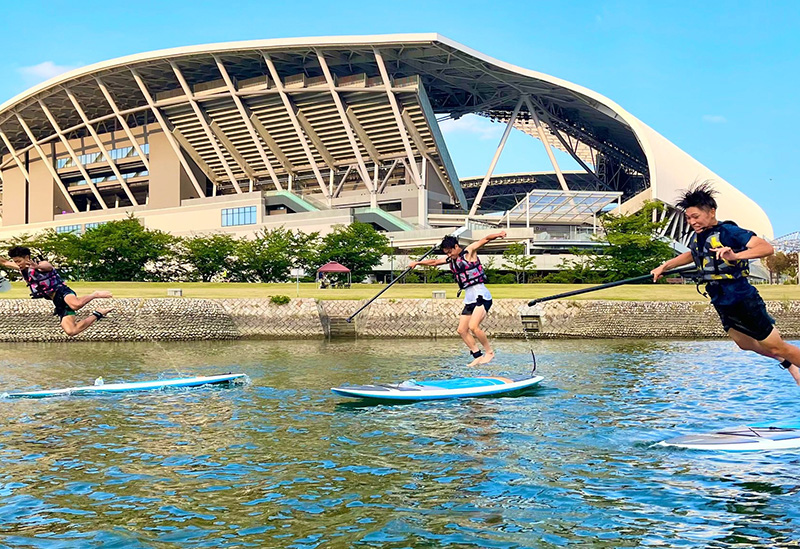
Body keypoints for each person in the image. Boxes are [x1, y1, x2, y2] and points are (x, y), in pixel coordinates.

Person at [651, 183, 800, 385]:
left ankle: (790, 365)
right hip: (721, 300)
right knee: (744, 344)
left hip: (742, 299)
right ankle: (788, 363)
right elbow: (692, 255)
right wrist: (664, 266)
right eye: (688, 218)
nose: (692, 222)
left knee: (776, 346)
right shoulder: (700, 236)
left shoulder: (729, 231)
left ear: (711, 212)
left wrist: (735, 255)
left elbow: (765, 248)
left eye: (695, 216)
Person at [410, 230, 506, 366]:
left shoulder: (469, 252)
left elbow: (485, 239)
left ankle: (489, 352)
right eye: (446, 253)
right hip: (469, 298)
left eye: (450, 252)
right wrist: (417, 263)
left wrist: (498, 234)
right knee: (461, 330)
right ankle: (477, 355)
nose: (449, 255)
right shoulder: (451, 259)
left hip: (481, 296)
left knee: (473, 327)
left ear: (456, 246)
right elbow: (435, 262)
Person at [1, 246, 113, 337]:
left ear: (27, 257)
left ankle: (95, 294)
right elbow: (4, 262)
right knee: (71, 331)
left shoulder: (40, 265)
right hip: (56, 300)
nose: (18, 264)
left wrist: (37, 265)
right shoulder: (22, 268)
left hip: (62, 291)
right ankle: (99, 313)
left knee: (76, 305)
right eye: (15, 262)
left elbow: (47, 266)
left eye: (19, 261)